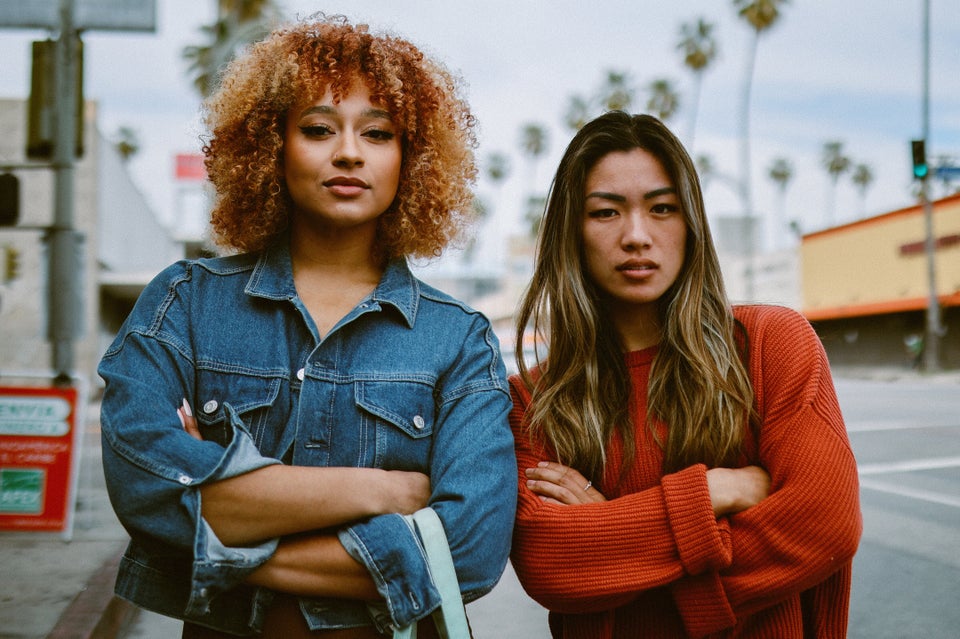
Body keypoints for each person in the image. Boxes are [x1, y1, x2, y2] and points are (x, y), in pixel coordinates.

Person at [98, 15, 516, 638]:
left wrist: (227, 528)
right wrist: (385, 493)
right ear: (271, 146)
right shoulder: (185, 305)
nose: (348, 151)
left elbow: (470, 554)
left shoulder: (457, 340)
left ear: (411, 158)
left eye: (378, 132)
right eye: (317, 128)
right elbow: (148, 490)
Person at [509, 111, 862, 638]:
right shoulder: (534, 398)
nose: (636, 236)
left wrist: (613, 530)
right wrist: (717, 490)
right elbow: (550, 563)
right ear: (572, 232)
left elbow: (823, 524)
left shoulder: (771, 344)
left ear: (691, 221)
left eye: (662, 209)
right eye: (606, 213)